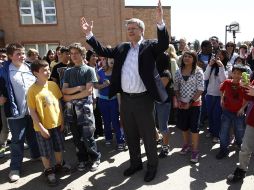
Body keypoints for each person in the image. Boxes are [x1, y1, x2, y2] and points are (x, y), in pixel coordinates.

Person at [80, 0, 169, 182]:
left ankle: (152, 166)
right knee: (130, 133)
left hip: (144, 100)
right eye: (128, 29)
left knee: (148, 135)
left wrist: (160, 22)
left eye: (133, 28)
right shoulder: (122, 47)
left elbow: (164, 44)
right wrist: (89, 34)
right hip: (126, 99)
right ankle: (135, 163)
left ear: (141, 31)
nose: (130, 31)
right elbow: (102, 50)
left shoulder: (150, 46)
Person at [0, 43, 40, 182]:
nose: (22, 56)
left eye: (23, 53)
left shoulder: (29, 68)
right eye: (18, 54)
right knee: (17, 140)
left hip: (31, 110)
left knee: (33, 134)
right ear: (10, 56)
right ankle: (15, 168)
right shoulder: (4, 70)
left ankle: (36, 155)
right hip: (15, 111)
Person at [27, 60, 70, 186]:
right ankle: (48, 169)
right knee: (45, 150)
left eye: (48, 69)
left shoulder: (53, 85)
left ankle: (59, 164)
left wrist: (62, 120)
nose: (48, 72)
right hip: (42, 127)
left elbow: (59, 104)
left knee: (58, 146)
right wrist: (41, 128)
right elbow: (32, 111)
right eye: (44, 70)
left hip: (56, 123)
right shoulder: (32, 90)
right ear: (35, 73)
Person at [62, 43, 101, 172]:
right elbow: (64, 91)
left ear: (82, 55)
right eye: (71, 53)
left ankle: (95, 158)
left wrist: (70, 96)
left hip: (85, 110)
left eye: (76, 53)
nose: (73, 56)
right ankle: (82, 159)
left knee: (88, 136)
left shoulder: (89, 70)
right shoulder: (68, 72)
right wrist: (79, 88)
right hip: (71, 110)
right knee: (76, 137)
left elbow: (88, 91)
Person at [174, 51, 204, 163]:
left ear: (194, 58)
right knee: (184, 127)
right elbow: (176, 87)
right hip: (182, 104)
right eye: (185, 56)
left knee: (194, 129)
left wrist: (190, 103)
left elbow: (201, 89)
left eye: (189, 56)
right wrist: (179, 100)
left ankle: (195, 151)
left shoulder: (198, 71)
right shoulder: (178, 71)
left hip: (195, 105)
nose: (186, 58)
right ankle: (186, 145)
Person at [216, 65, 247, 159]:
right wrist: (221, 99)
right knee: (224, 131)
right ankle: (223, 149)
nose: (237, 75)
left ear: (243, 75)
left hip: (239, 113)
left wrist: (242, 108)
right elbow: (221, 90)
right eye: (235, 73)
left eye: (240, 74)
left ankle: (239, 144)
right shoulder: (227, 82)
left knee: (240, 131)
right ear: (232, 73)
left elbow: (247, 99)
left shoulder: (245, 85)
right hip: (227, 111)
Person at [94, 57, 125, 150]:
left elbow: (119, 90)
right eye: (108, 59)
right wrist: (103, 85)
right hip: (102, 101)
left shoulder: (117, 72)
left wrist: (120, 105)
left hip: (114, 100)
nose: (111, 61)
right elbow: (95, 85)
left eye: (113, 59)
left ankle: (120, 141)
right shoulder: (100, 71)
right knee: (106, 121)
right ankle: (108, 138)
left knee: (115, 121)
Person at [227, 80, 254, 183]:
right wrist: (244, 87)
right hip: (252, 121)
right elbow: (248, 98)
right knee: (245, 148)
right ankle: (241, 171)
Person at [204, 50, 232, 143]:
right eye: (217, 54)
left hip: (220, 95)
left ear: (224, 56)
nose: (218, 56)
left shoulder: (227, 66)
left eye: (221, 54)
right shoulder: (212, 66)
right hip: (209, 94)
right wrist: (209, 65)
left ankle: (217, 134)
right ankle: (211, 131)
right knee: (210, 114)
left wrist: (221, 67)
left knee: (217, 115)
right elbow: (205, 77)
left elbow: (223, 80)